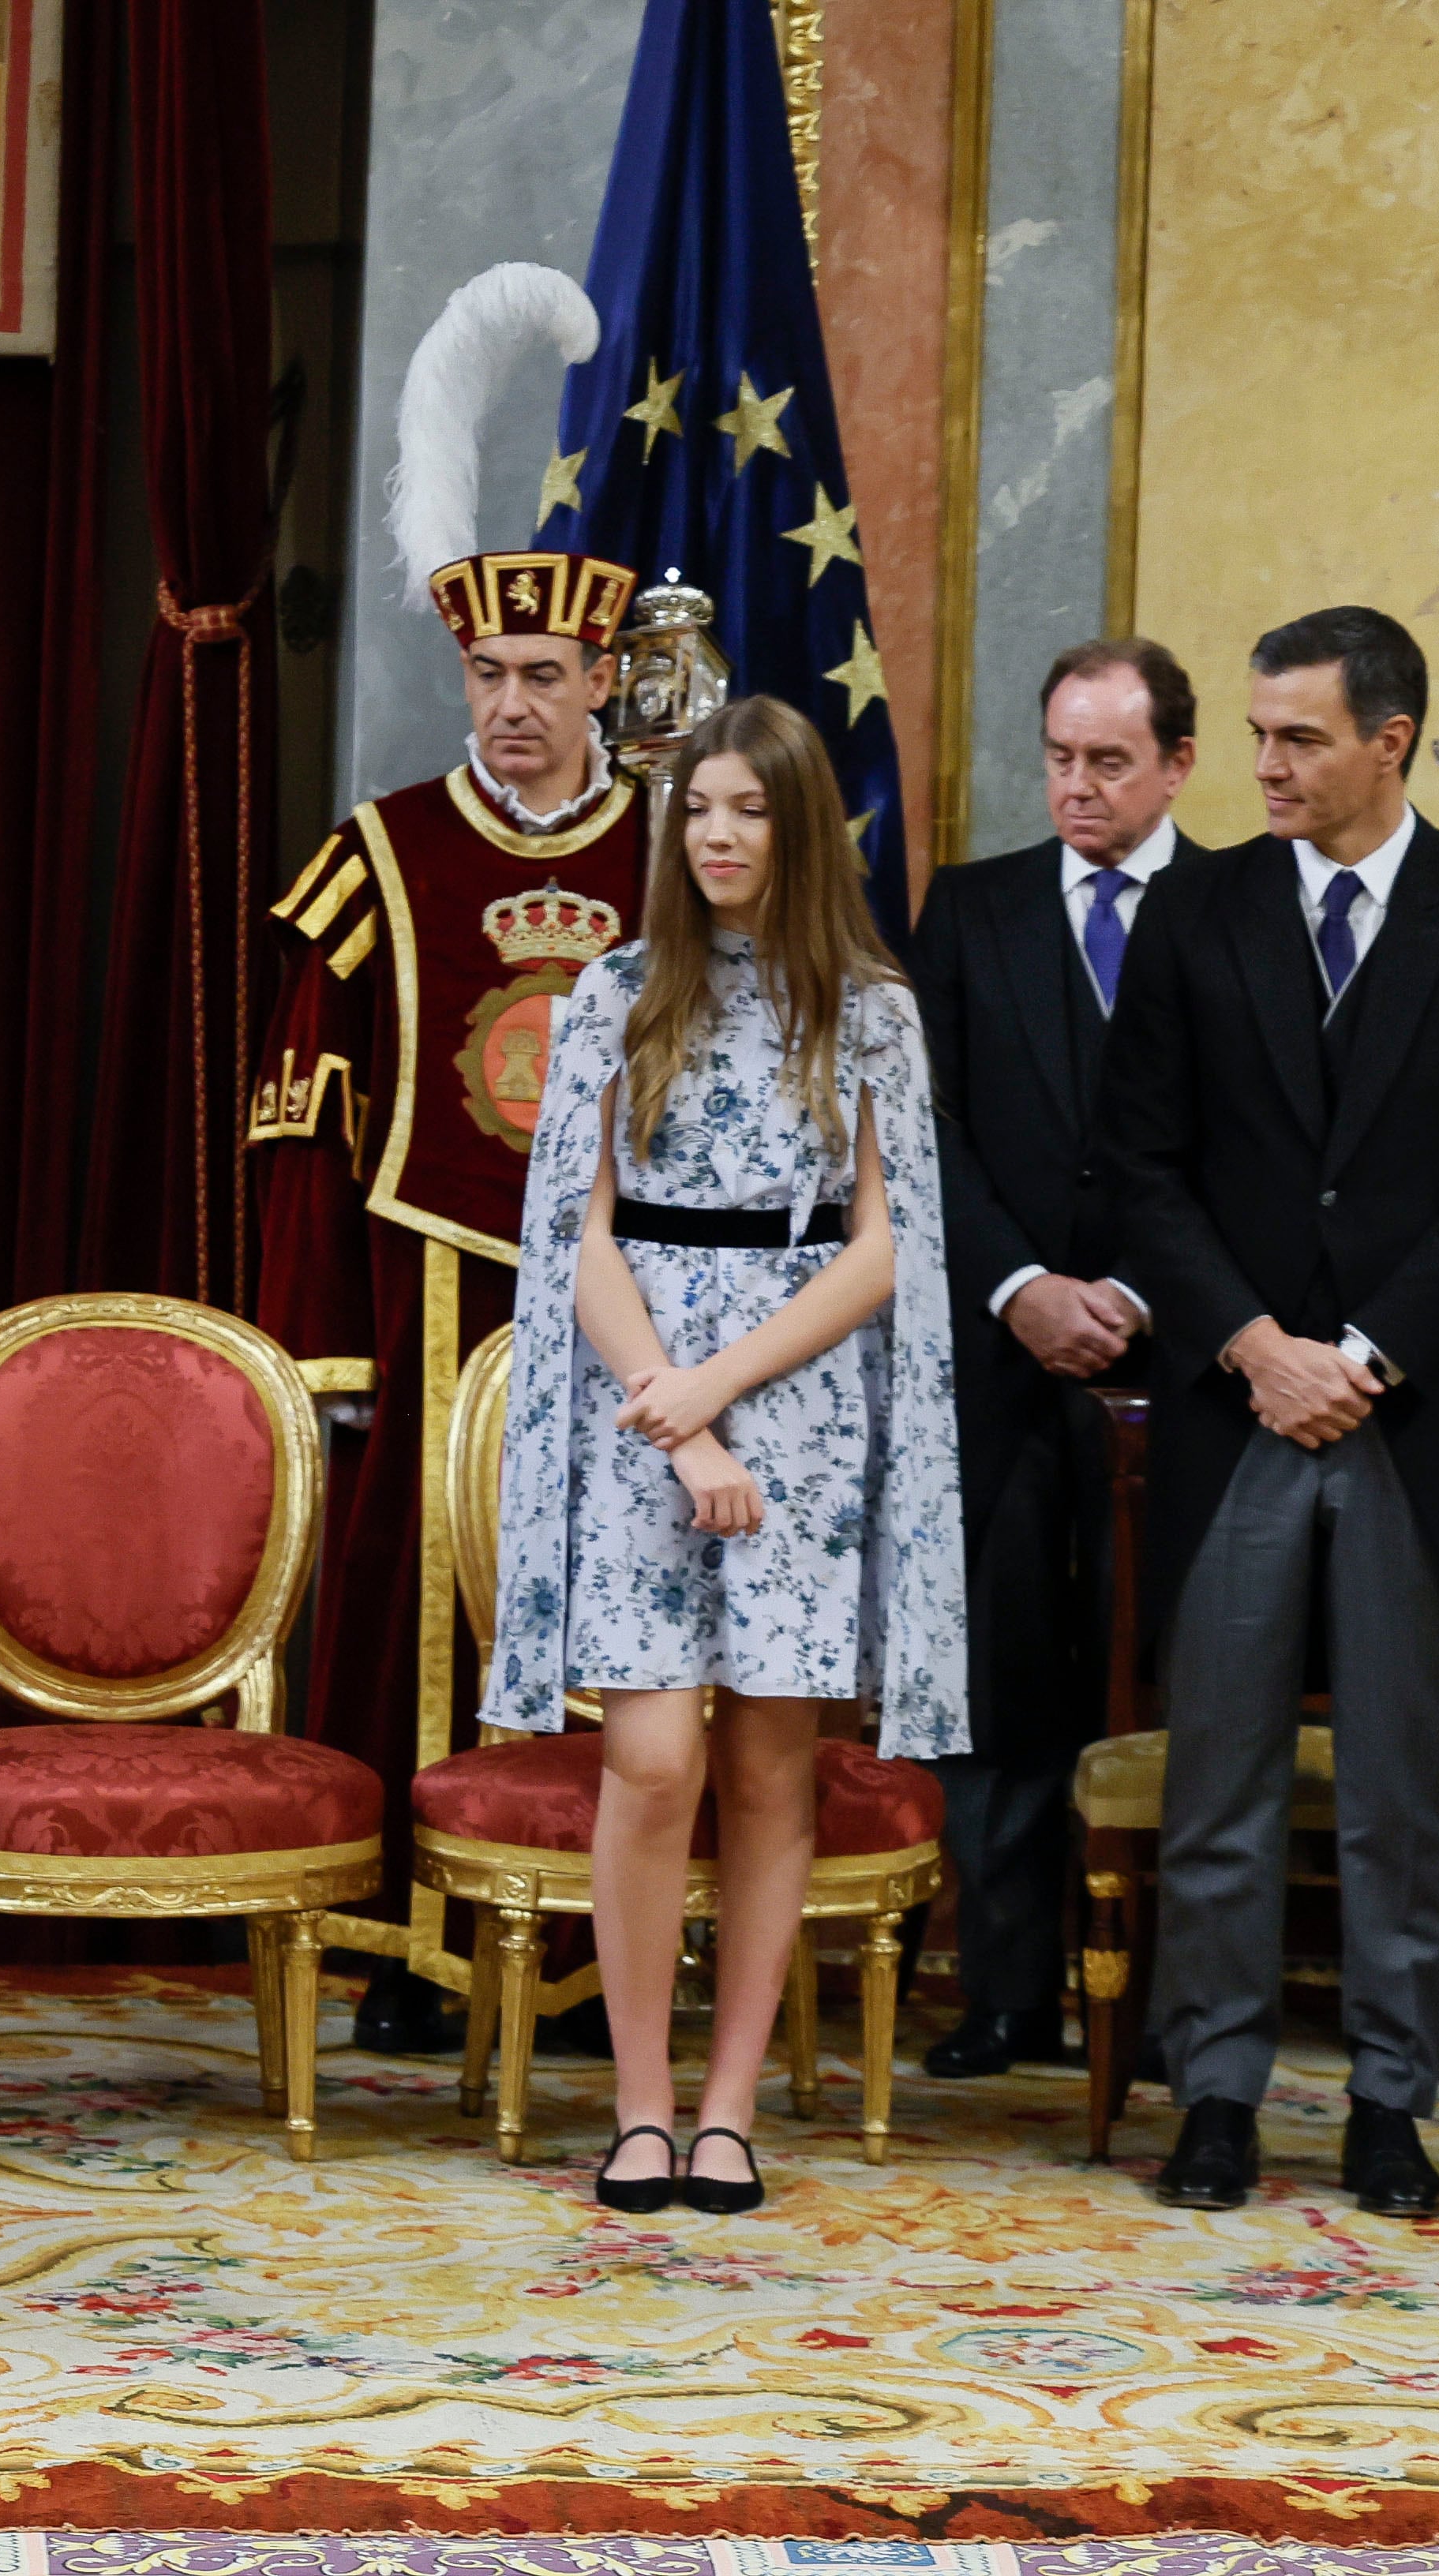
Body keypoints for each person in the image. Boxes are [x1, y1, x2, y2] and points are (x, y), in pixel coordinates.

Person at [1100, 606, 1439, 2219]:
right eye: (1257, 735)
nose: (1264, 766)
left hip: (1406, 1420)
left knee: (1398, 1787)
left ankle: (1390, 2099)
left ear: (1389, 741)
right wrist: (1252, 1345)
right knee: (1220, 1775)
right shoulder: (1196, 910)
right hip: (1239, 1411)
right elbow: (1139, 1168)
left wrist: (1361, 1354)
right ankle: (1216, 2090)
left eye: (1299, 737)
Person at [482, 695, 965, 2217]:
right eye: (698, 809)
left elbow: (884, 1248)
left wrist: (720, 1397)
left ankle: (729, 2109)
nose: (717, 834)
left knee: (768, 1769)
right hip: (642, 1414)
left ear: (798, 827)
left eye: (749, 810)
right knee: (650, 1756)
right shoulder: (617, 992)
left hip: (801, 1409)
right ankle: (635, 2104)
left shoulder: (871, 1005)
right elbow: (578, 1229)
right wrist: (666, 1404)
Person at [239, 545, 651, 2055]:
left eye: (545, 675)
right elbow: (302, 1113)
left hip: (647, 1301)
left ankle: (613, 1949)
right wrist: (320, 1343)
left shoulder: (682, 845)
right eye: (489, 675)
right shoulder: (386, 851)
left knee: (625, 1600)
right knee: (428, 1604)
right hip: (430, 1286)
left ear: (604, 681)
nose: (514, 704)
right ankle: (421, 1943)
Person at [908, 638, 1196, 2080]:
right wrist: (1021, 1284)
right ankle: (1008, 1987)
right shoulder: (969, 909)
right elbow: (917, 1130)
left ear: (1178, 766)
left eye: (1109, 763)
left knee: (1173, 1681)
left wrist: (1145, 1288)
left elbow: (1265, 1140)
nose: (1077, 788)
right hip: (1001, 1365)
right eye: (1059, 760)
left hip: (1190, 1364)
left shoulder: (1245, 908)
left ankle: (1160, 2009)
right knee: (1004, 1684)